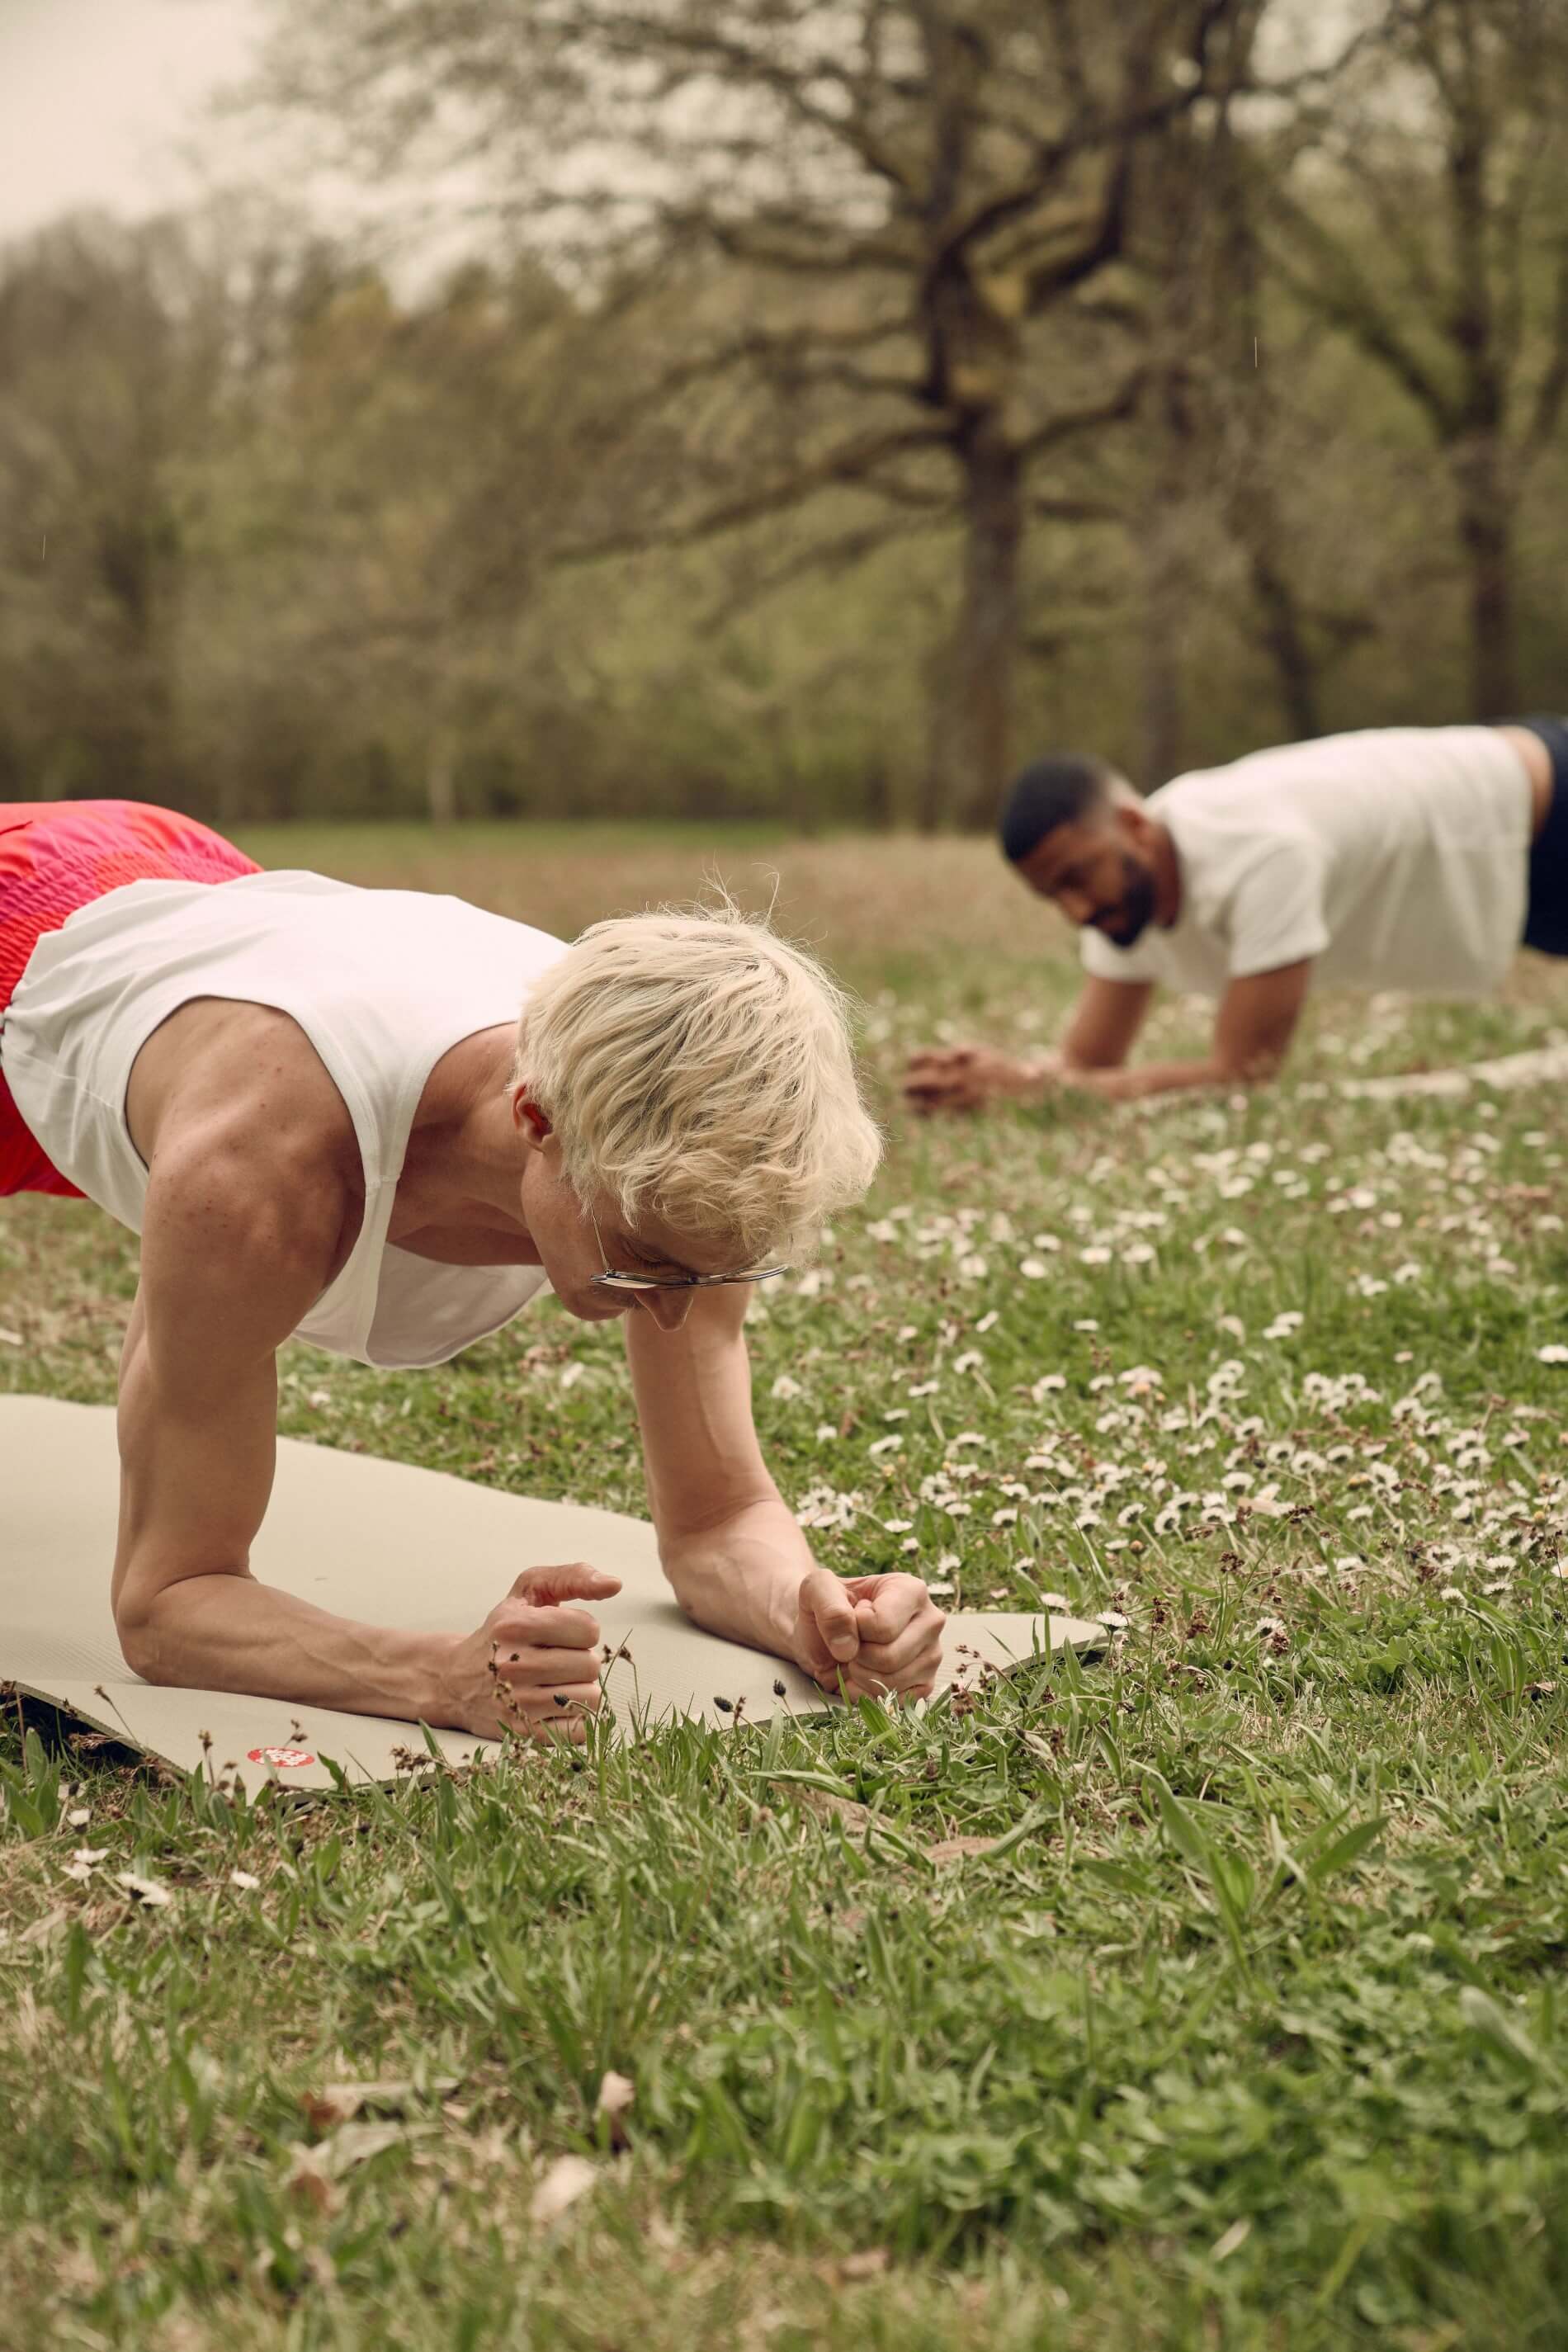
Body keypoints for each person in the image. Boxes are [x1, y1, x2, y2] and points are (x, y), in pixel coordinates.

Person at [1, 799, 945, 1740]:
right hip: (34, 957)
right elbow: (166, 1604)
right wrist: (437, 1676)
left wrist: (808, 1608)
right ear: (535, 1118)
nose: (668, 1315)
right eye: (645, 1264)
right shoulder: (258, 1171)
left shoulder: (686, 1167)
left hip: (194, 887)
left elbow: (716, 1521)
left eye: (702, 1277)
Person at [904, 720, 1566, 1112]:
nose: (1076, 911)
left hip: (1543, 807)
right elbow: (1087, 1063)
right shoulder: (1121, 897)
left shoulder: (1260, 853)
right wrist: (1005, 1078)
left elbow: (1244, 1072)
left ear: (1135, 826)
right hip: (1511, 845)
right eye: (1054, 895)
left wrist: (1040, 1091)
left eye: (1077, 878)